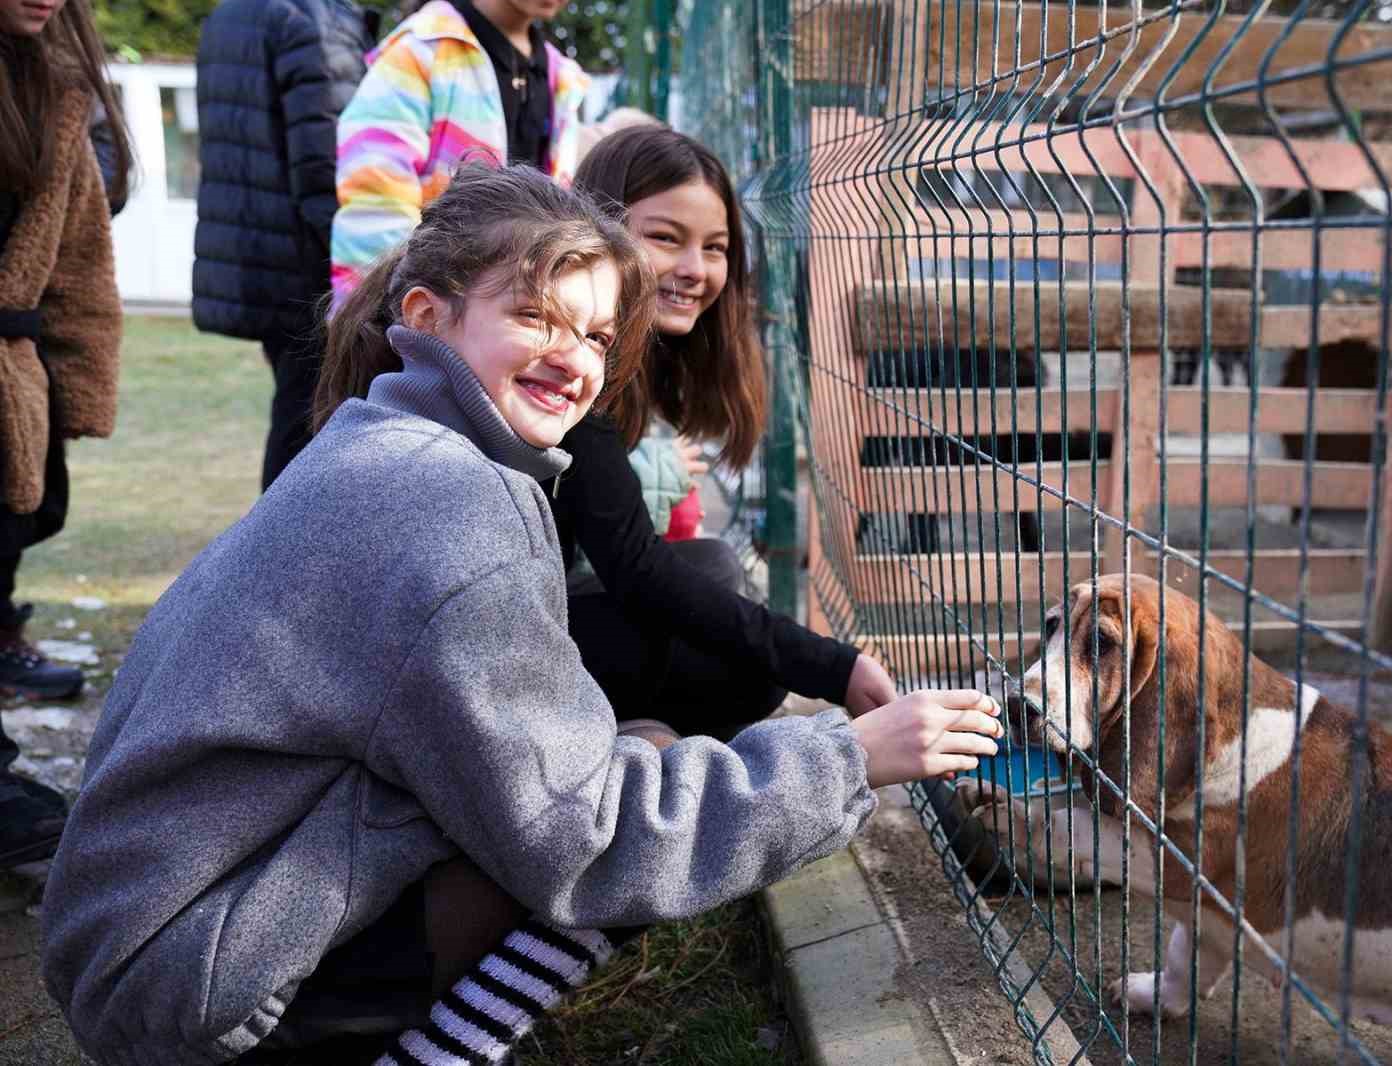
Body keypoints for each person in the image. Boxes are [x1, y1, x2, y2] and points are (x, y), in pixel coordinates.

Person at [40, 162, 1004, 1064]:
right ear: (429, 313)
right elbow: (589, 842)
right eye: (538, 317)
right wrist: (850, 757)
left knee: (638, 753)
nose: (575, 360)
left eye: (593, 335)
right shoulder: (453, 502)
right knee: (629, 821)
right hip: (199, 987)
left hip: (146, 939)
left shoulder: (379, 442)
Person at [564, 126, 898, 747]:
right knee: (749, 664)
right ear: (596, 232)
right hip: (482, 648)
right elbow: (634, 567)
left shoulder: (634, 361)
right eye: (665, 238)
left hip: (534, 612)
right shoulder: (572, 358)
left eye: (715, 248)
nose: (694, 270)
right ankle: (609, 755)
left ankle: (628, 736)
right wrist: (831, 665)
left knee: (716, 572)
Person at [0, 0, 128, 868]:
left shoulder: (55, 81)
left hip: (14, 372)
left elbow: (78, 250)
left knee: (16, 526)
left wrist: (76, 387)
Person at [191, 0, 379, 490]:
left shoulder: (231, 14)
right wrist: (370, 281)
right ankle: (281, 556)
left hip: (258, 257)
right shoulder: (313, 21)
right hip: (308, 266)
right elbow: (328, 170)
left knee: (298, 412)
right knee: (311, 422)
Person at [330, 0, 589, 307]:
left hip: (512, 317)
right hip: (416, 310)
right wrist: (386, 312)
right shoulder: (421, 51)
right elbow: (372, 195)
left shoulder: (561, 77)